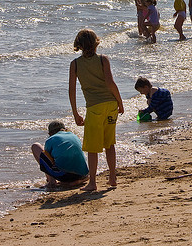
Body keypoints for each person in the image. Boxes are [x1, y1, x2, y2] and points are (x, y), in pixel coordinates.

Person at [69, 29, 124, 191]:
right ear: (96, 43)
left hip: (94, 108)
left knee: (92, 147)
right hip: (110, 105)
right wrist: (120, 103)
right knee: (109, 143)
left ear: (78, 45)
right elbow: (110, 83)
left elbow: (71, 90)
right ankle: (112, 178)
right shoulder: (103, 60)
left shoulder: (75, 64)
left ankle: (92, 182)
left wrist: (75, 113)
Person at [31, 121, 89, 188]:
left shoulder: (51, 139)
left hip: (65, 176)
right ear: (65, 129)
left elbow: (46, 159)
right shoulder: (74, 135)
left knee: (35, 146)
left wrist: (48, 177)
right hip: (83, 174)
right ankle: (79, 181)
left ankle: (51, 181)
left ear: (49, 133)